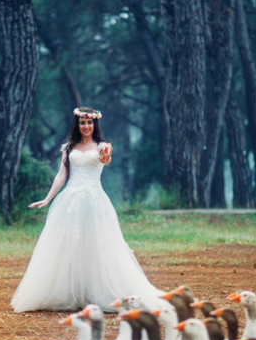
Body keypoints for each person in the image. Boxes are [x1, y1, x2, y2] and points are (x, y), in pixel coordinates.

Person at [11, 107, 162, 312]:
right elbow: (62, 175)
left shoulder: (103, 146)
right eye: (82, 123)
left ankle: (95, 292)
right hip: (70, 201)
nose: (86, 126)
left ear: (95, 124)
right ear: (77, 125)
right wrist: (47, 199)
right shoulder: (68, 147)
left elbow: (105, 160)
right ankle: (69, 292)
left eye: (89, 123)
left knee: (96, 244)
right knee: (69, 245)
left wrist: (105, 157)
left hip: (94, 201)